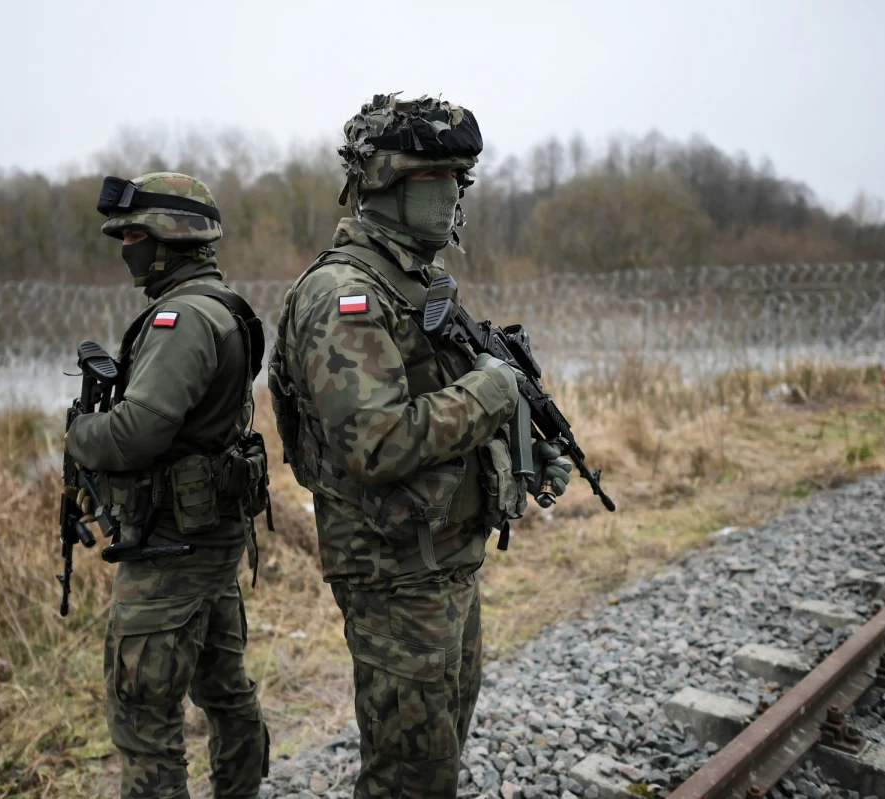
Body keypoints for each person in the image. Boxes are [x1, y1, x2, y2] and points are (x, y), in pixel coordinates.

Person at [267, 96, 573, 797]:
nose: (459, 196)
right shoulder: (345, 294)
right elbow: (376, 442)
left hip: (443, 560)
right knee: (409, 776)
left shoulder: (416, 280)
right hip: (394, 574)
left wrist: (522, 448)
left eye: (464, 179)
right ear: (389, 182)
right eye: (445, 178)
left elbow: (445, 397)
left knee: (438, 757)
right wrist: (492, 391)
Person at [66, 172, 270, 799]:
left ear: (169, 238)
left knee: (144, 716)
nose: (126, 248)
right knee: (225, 690)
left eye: (134, 236)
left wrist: (79, 433)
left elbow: (137, 432)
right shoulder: (224, 305)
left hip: (171, 549)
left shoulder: (181, 318)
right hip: (209, 538)